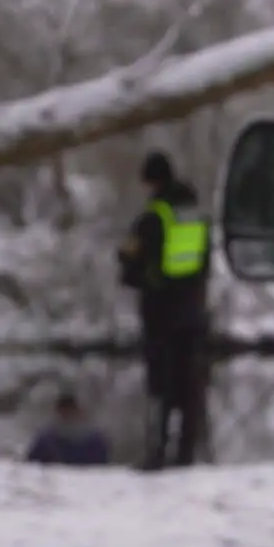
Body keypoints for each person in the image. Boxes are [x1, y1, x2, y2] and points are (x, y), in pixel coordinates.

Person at [116, 150, 210, 470]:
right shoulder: (195, 213)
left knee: (160, 384)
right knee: (188, 382)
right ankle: (186, 452)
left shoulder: (153, 217)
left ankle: (156, 453)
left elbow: (131, 260)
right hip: (193, 309)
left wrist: (131, 269)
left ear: (150, 180)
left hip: (160, 311)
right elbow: (205, 261)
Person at [25, 392, 111, 466]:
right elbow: (32, 466)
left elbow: (101, 469)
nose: (68, 415)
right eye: (64, 412)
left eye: (70, 411)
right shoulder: (46, 439)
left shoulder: (95, 440)